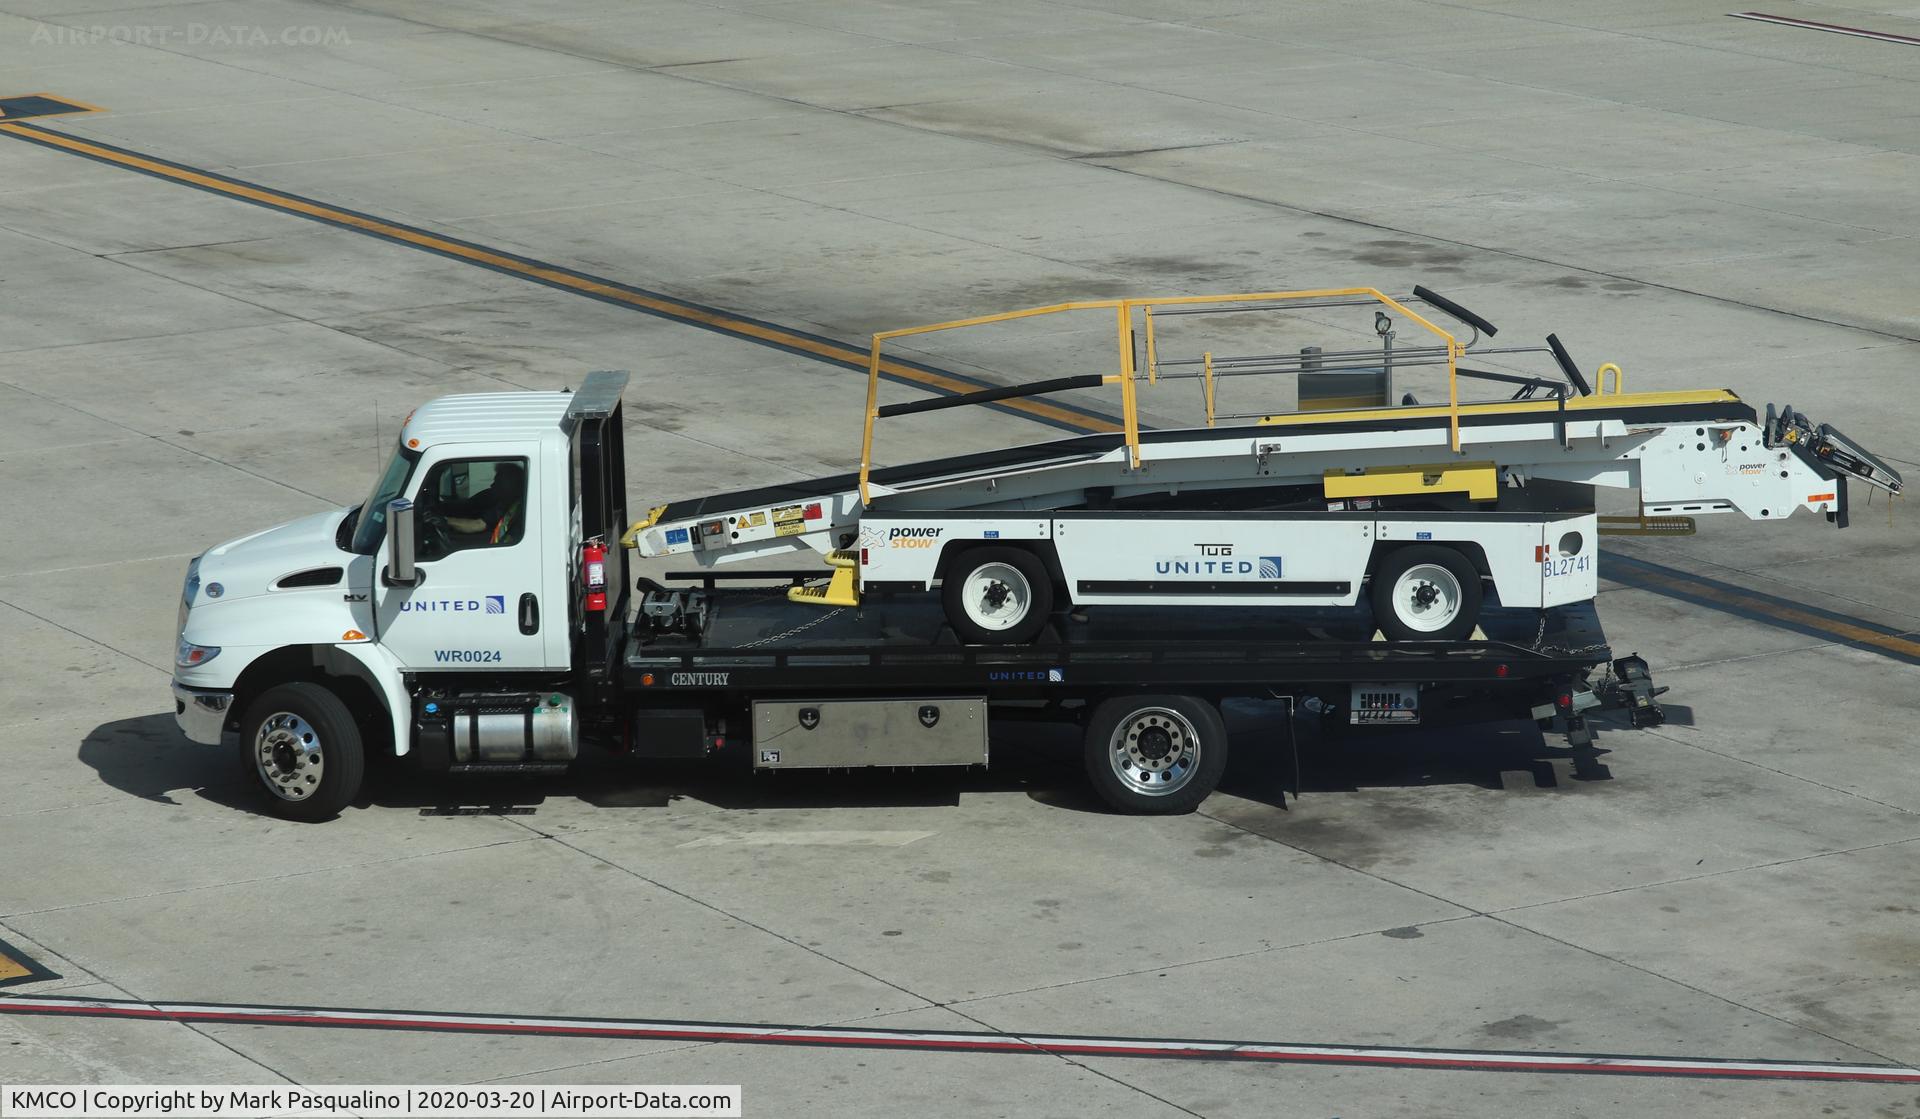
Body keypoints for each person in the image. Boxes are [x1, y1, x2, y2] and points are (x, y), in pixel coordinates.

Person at [439, 462, 524, 544]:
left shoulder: (518, 509)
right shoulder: (504, 505)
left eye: (498, 482)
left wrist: (444, 521)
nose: (492, 485)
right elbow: (469, 508)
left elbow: (477, 525)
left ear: (508, 485)